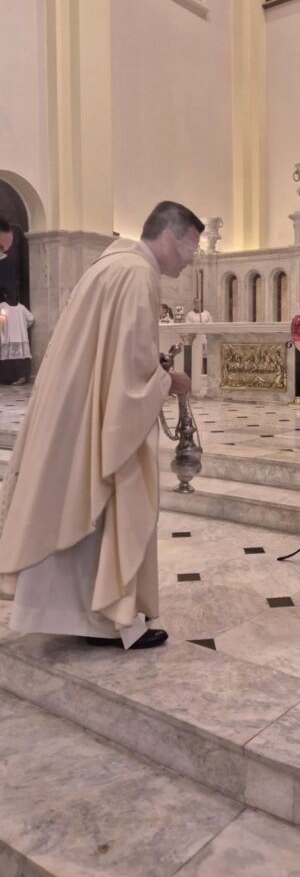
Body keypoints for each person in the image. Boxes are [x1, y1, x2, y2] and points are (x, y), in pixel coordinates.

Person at [0, 201, 203, 650]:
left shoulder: (109, 265)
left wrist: (157, 370)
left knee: (74, 502)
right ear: (169, 237)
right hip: (98, 418)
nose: (190, 260)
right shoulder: (137, 274)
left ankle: (73, 614)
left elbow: (113, 352)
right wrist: (168, 381)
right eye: (190, 248)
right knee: (103, 503)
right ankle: (109, 620)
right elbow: (131, 370)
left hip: (76, 411)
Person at [0, 291, 34, 385]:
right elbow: (31, 319)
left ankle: (9, 379)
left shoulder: (2, 306)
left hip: (8, 337)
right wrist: (24, 326)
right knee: (20, 358)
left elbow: (1, 322)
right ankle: (21, 377)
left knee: (9, 359)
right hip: (20, 337)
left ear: (6, 296)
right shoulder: (21, 308)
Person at [185, 298, 213, 376]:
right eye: (196, 303)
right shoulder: (190, 314)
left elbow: (211, 325)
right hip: (195, 339)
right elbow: (188, 326)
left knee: (205, 356)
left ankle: (205, 373)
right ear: (194, 304)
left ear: (202, 304)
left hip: (205, 338)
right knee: (196, 358)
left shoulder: (207, 314)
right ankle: (195, 374)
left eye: (199, 303)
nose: (198, 305)